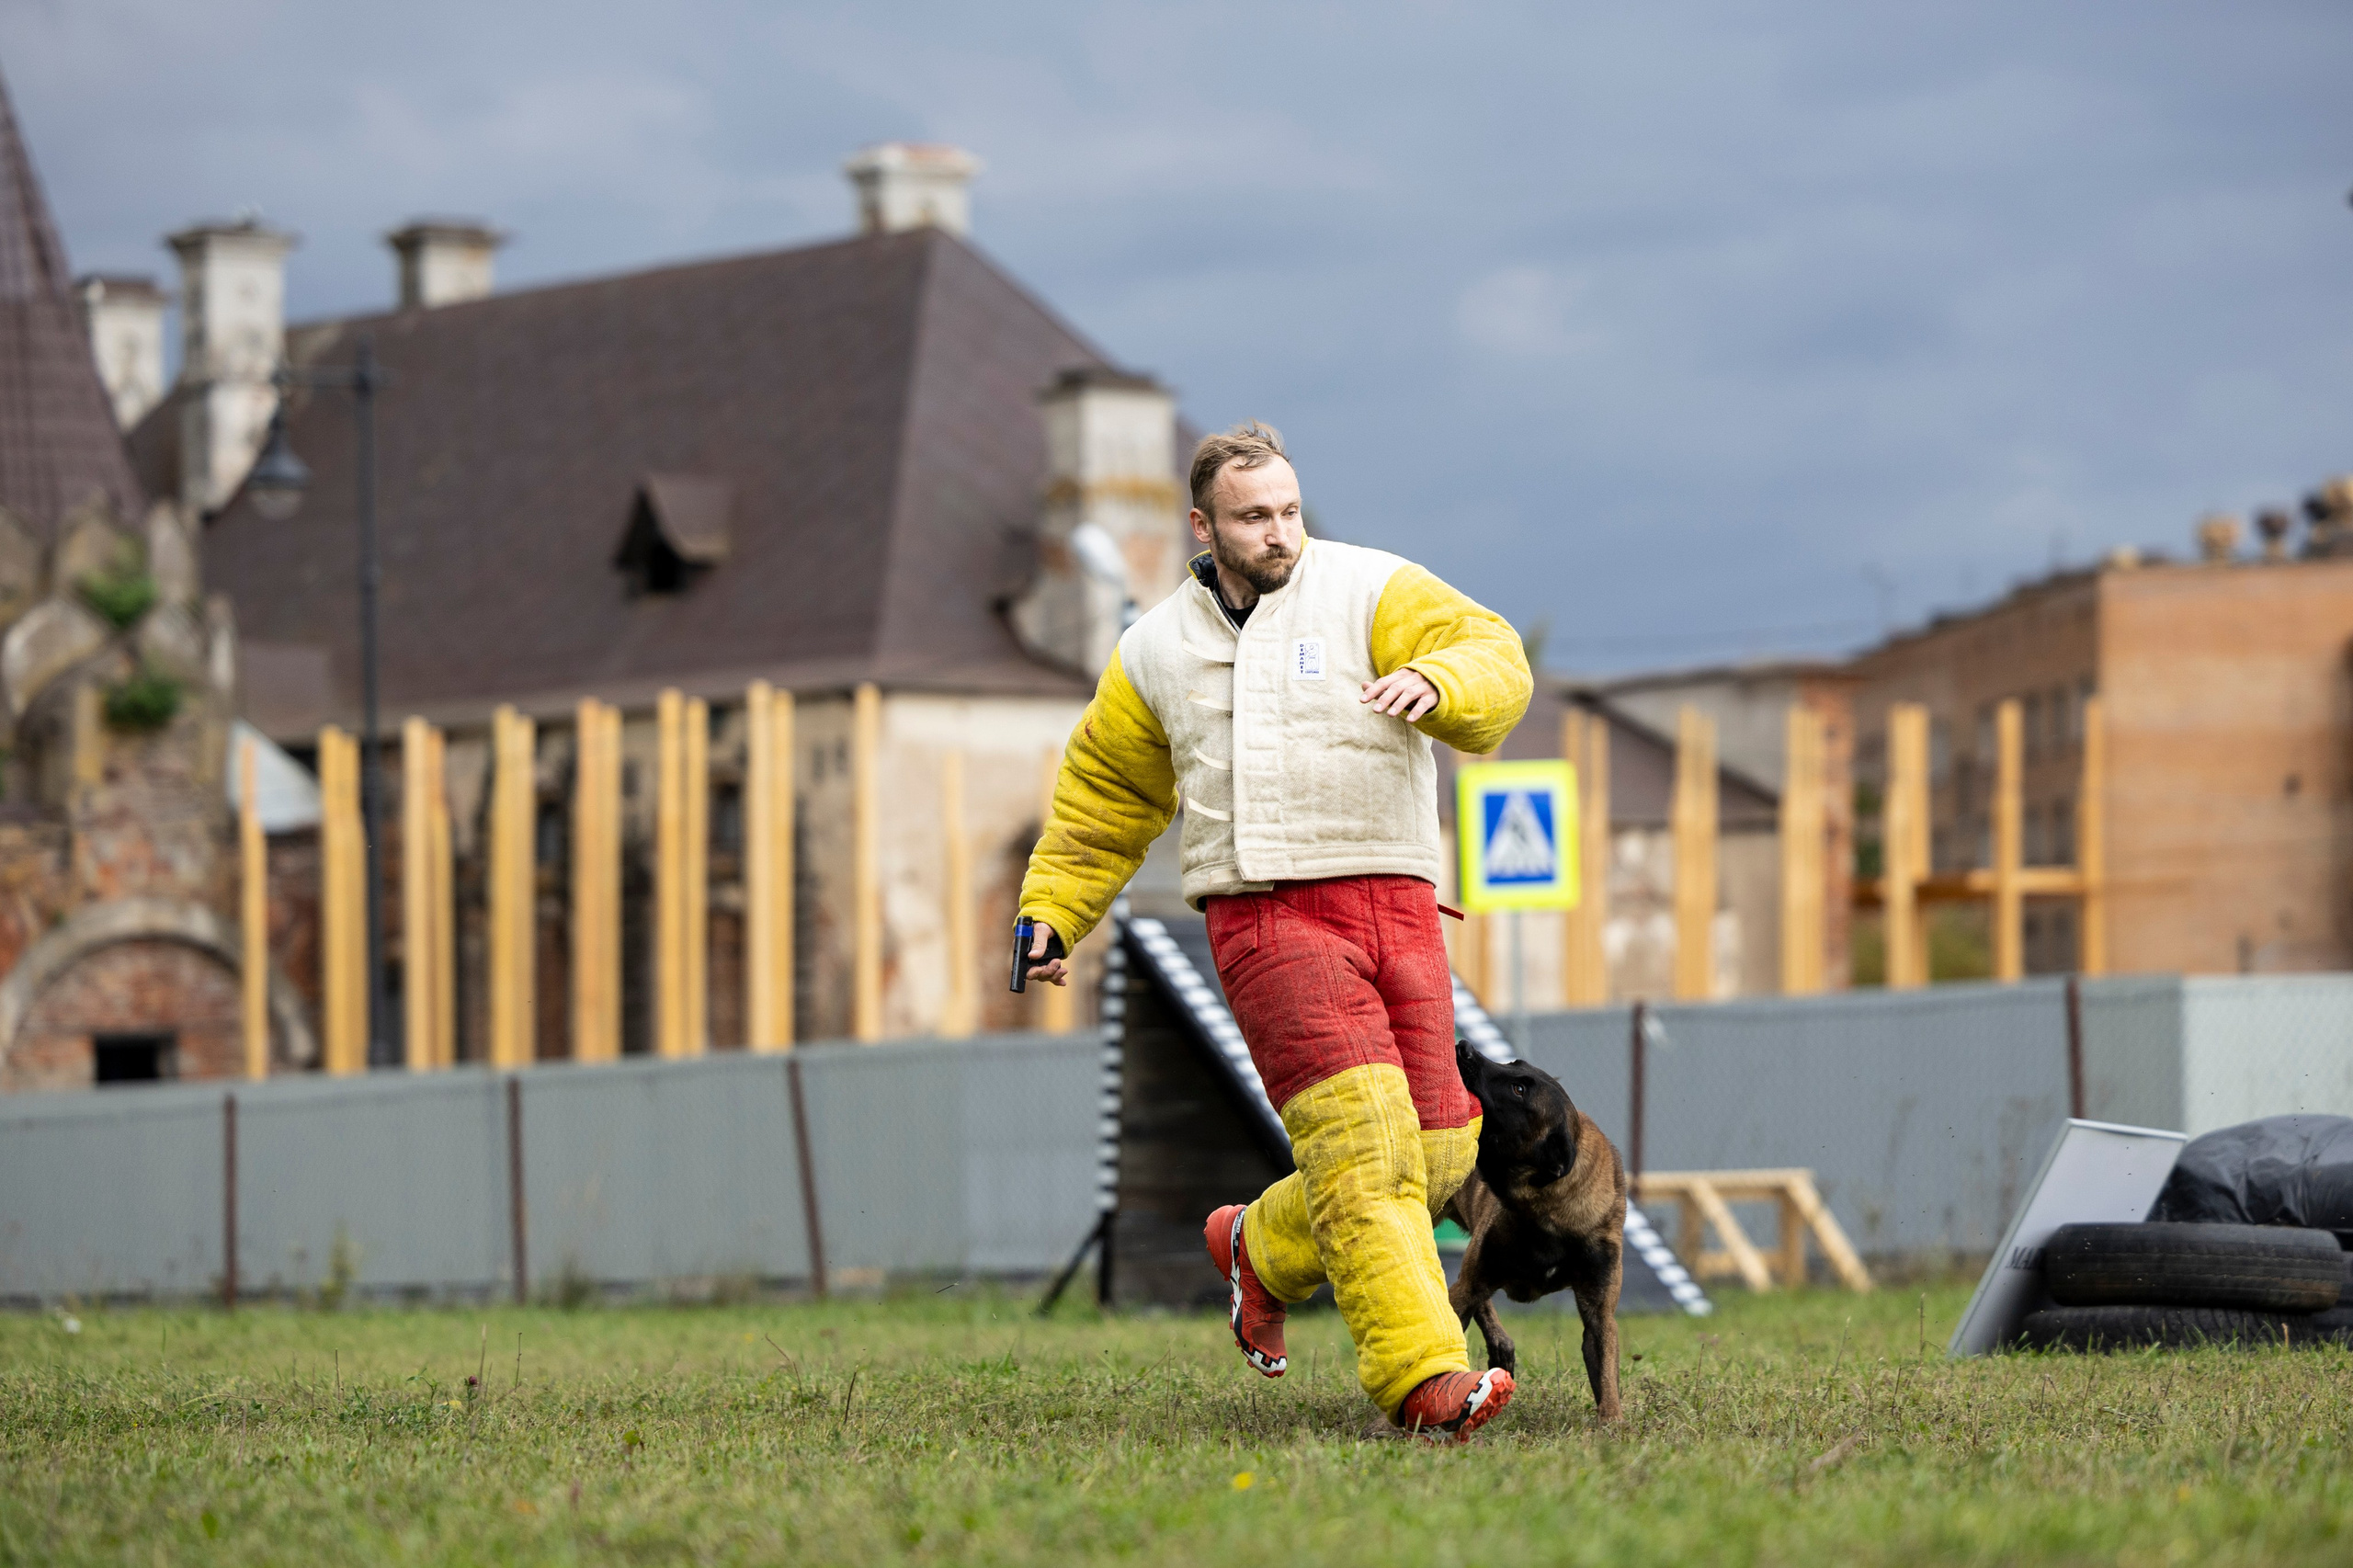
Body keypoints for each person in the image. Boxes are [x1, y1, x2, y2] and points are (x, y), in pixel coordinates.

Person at [1017, 420, 1532, 1440]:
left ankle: (1257, 1241)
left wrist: (1438, 682)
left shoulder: (1373, 588)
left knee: (1435, 1149)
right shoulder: (1153, 649)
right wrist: (1051, 908)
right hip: (1265, 916)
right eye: (1255, 517)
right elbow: (1106, 794)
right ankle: (1425, 1379)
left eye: (1290, 509)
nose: (1281, 531)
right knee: (1365, 1146)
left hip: (1397, 904)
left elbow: (1494, 655)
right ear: (1204, 528)